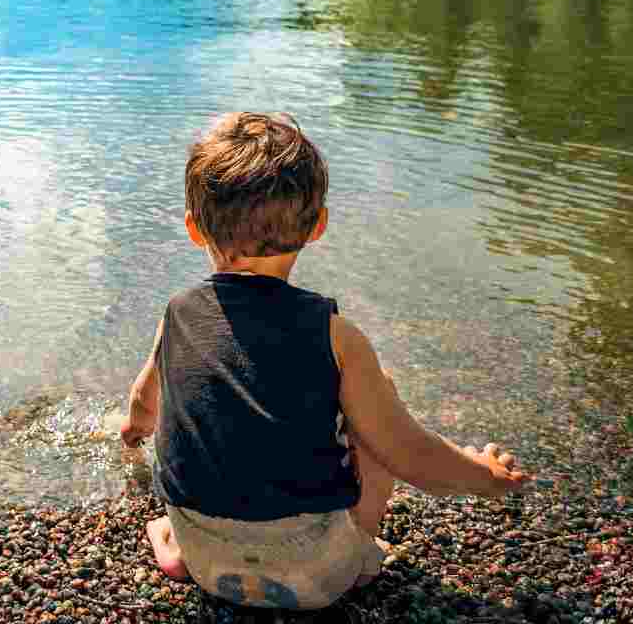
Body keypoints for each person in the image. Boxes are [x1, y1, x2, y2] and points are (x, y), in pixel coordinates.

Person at [119, 112, 531, 621]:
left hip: (205, 559)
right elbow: (408, 452)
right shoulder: (336, 336)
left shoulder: (177, 314)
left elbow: (143, 403)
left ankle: (174, 545)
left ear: (192, 229)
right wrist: (484, 477)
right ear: (319, 226)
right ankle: (361, 552)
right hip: (319, 577)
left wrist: (132, 436)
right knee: (378, 397)